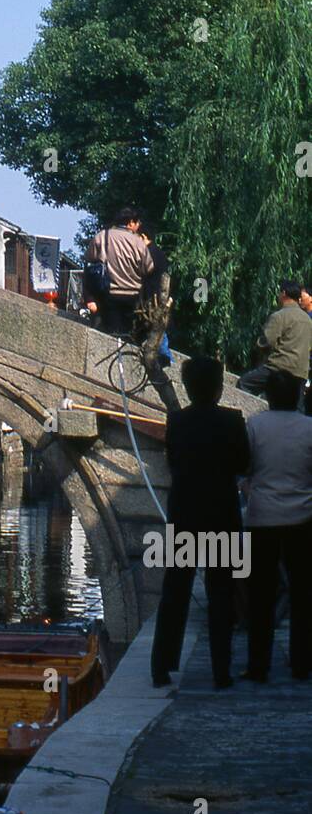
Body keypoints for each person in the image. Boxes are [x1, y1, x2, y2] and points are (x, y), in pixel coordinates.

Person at [149, 357, 250, 690]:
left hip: (185, 513)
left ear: (188, 388)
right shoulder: (233, 421)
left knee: (175, 592)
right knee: (221, 594)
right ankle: (221, 671)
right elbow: (243, 464)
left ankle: (161, 667)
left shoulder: (176, 421)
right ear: (220, 387)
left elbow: (174, 462)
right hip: (222, 513)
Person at [242, 369, 312, 682]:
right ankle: (301, 663)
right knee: (303, 594)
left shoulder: (255, 425)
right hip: (302, 518)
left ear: (268, 396)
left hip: (262, 518)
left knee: (261, 594)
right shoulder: (309, 428)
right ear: (297, 395)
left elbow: (244, 467)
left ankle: (258, 664)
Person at [237, 280, 312, 405]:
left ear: (283, 293)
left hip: (278, 368)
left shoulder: (279, 316)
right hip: (301, 372)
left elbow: (266, 342)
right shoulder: (308, 320)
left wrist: (260, 348)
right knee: (296, 406)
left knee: (244, 384)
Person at [83, 207, 154, 336]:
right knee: (128, 335)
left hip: (107, 293)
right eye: (138, 223)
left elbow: (89, 258)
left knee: (106, 333)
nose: (138, 226)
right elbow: (149, 268)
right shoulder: (139, 243)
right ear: (131, 222)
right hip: (133, 296)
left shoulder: (102, 236)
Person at [140, 227, 172, 365]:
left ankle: (165, 355)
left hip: (153, 296)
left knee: (157, 326)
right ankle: (164, 354)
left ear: (143, 236)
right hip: (157, 295)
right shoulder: (157, 252)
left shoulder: (150, 252)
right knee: (156, 326)